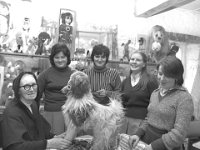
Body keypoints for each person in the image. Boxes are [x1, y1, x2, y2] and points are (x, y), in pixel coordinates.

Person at [129, 56, 194, 150]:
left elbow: (179, 133)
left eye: (167, 75)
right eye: (160, 73)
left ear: (177, 76)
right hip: (146, 141)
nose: (162, 78)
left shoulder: (184, 98)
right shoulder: (155, 93)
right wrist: (138, 134)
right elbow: (149, 119)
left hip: (165, 146)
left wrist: (154, 146)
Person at [1, 72, 77, 150]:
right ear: (18, 90)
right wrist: (48, 144)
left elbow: (39, 130)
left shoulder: (33, 104)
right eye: (26, 86)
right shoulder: (12, 113)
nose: (31, 89)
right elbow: (15, 147)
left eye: (34, 85)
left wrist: (55, 137)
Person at [37, 43, 75, 135]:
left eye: (63, 57)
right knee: (53, 144)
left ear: (67, 58)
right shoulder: (45, 75)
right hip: (51, 114)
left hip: (71, 115)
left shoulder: (74, 75)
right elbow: (36, 96)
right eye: (57, 57)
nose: (60, 60)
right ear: (52, 59)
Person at [120, 51, 158, 135]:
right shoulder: (125, 81)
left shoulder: (150, 81)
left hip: (141, 123)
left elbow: (155, 104)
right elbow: (122, 102)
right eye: (132, 59)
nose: (134, 62)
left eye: (138, 60)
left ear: (144, 64)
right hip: (124, 121)